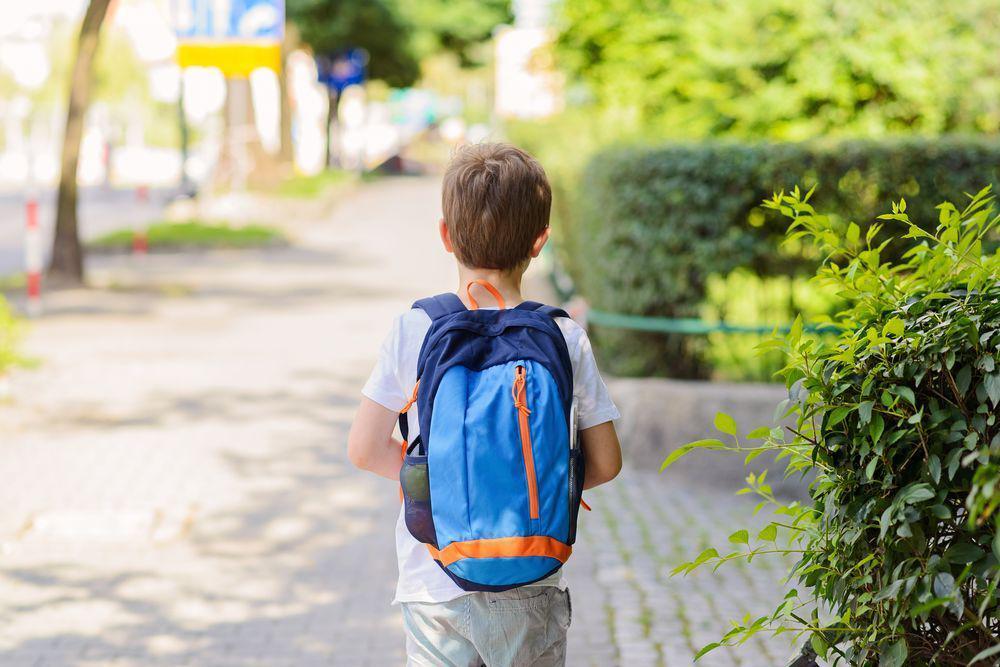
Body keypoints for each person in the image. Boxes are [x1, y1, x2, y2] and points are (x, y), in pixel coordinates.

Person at [347, 142, 622, 666]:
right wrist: (523, 478)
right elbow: (606, 463)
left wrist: (446, 484)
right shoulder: (563, 336)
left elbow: (363, 449)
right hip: (528, 573)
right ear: (540, 241)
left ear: (446, 236)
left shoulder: (416, 328)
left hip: (433, 579)